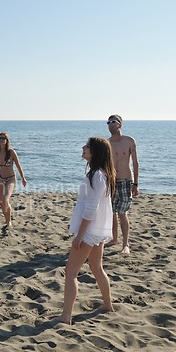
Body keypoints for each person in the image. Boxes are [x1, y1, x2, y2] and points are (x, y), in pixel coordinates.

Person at [53, 137, 116, 325]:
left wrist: (80, 236)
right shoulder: (102, 173)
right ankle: (107, 305)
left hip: (90, 231)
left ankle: (66, 316)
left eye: (87, 146)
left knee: (71, 271)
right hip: (97, 230)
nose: (83, 148)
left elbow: (91, 209)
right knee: (97, 268)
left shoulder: (96, 175)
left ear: (95, 152)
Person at [106, 114, 139, 254]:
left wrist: (136, 184)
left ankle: (126, 244)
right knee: (112, 212)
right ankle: (115, 239)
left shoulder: (129, 141)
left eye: (113, 122)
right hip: (112, 181)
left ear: (120, 124)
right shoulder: (107, 143)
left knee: (122, 213)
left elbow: (136, 163)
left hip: (126, 181)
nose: (110, 124)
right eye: (108, 122)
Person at [0, 132, 27, 227]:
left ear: (7, 140)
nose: (2, 140)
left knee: (5, 198)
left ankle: (9, 221)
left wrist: (23, 178)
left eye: (4, 138)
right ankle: (7, 219)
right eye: (0, 138)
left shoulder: (11, 152)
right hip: (1, 179)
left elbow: (18, 165)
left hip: (11, 178)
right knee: (1, 201)